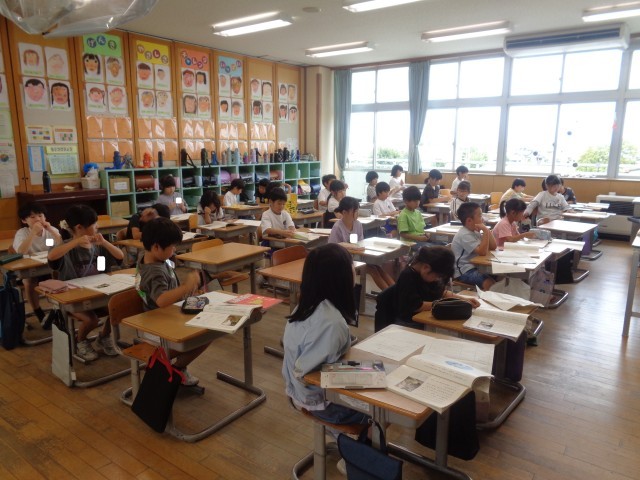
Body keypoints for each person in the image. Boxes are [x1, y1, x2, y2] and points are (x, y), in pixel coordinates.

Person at [282, 243, 369, 426]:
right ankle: (357, 442)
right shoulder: (330, 322)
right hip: (320, 403)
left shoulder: (309, 304)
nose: (354, 270)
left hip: (301, 391)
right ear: (340, 277)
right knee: (379, 411)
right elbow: (308, 375)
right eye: (351, 265)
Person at [48, 205, 124, 360]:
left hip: (97, 293)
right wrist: (75, 242)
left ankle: (103, 336)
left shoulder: (98, 247)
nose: (97, 227)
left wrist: (104, 243)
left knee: (118, 309)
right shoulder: (67, 248)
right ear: (79, 227)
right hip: (73, 298)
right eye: (94, 224)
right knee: (91, 320)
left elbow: (120, 257)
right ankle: (80, 340)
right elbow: (52, 257)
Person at [136, 217, 204, 385]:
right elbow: (161, 300)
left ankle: (177, 369)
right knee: (204, 335)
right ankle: (175, 368)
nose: (174, 251)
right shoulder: (154, 271)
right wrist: (186, 287)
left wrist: (188, 291)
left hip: (167, 317)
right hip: (157, 328)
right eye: (172, 247)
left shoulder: (152, 258)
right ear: (156, 247)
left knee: (207, 332)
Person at [375, 246, 479, 330]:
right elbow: (416, 306)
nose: (437, 279)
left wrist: (464, 300)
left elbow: (441, 292)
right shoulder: (408, 277)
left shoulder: (427, 275)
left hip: (423, 317)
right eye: (437, 276)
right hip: (408, 323)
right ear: (426, 267)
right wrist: (444, 304)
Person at [328, 197, 395, 291]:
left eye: (357, 211)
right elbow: (332, 248)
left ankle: (396, 292)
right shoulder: (337, 227)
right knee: (373, 270)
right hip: (344, 261)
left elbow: (361, 243)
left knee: (377, 267)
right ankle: (390, 295)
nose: (357, 213)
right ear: (344, 212)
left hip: (357, 257)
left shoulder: (358, 224)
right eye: (354, 211)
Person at [13, 202, 62, 325]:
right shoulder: (22, 233)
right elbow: (21, 251)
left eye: (40, 215)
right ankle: (38, 312)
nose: (38, 219)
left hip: (49, 265)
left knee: (63, 275)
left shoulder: (51, 230)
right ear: (24, 220)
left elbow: (62, 245)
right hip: (31, 268)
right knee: (29, 281)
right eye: (33, 217)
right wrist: (33, 233)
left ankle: (57, 309)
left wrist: (50, 230)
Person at [451, 202, 497, 290]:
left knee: (498, 276)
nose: (482, 219)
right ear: (469, 220)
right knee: (488, 283)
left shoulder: (474, 232)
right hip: (464, 271)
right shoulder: (464, 234)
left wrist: (486, 230)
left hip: (476, 266)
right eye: (480, 216)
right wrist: (485, 231)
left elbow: (493, 246)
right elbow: (482, 252)